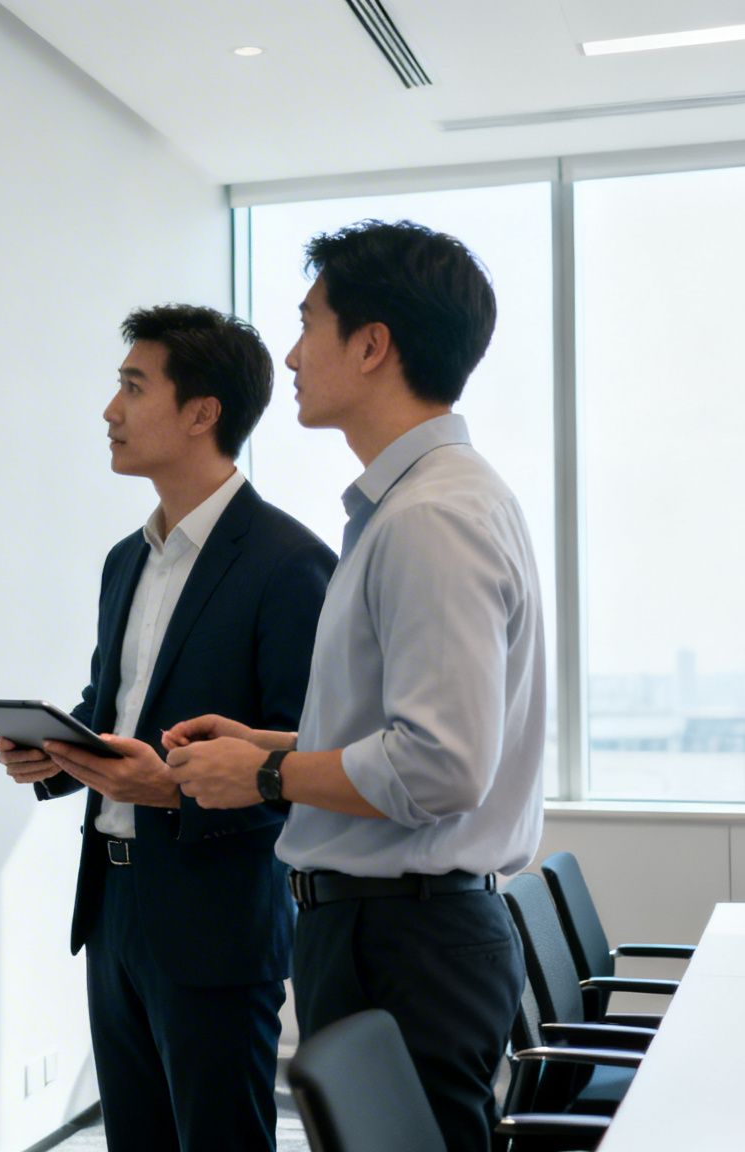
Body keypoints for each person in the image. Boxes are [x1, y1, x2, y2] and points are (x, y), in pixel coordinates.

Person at [162, 221, 546, 1152]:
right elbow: (405, 733)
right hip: (393, 934)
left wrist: (262, 781)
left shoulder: (431, 517)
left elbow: (439, 768)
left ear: (372, 344)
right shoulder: (420, 506)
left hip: (405, 944)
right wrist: (275, 748)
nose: (290, 356)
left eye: (308, 325)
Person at [0, 304, 334, 1152]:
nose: (110, 411)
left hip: (216, 919)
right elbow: (117, 713)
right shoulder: (125, 559)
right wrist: (58, 756)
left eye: (131, 387)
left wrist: (173, 793)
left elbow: (311, 767)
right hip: (112, 903)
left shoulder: (290, 564)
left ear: (202, 413)